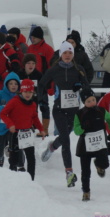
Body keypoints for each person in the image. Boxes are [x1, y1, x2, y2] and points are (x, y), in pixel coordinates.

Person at [38, 41, 89, 187]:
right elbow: (42, 84)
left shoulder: (78, 69)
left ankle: (52, 146)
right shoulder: (54, 70)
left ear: (73, 55)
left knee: (65, 135)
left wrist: (81, 86)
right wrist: (42, 102)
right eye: (65, 53)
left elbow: (87, 87)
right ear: (61, 54)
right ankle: (69, 172)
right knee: (66, 139)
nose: (67, 55)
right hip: (59, 109)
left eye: (70, 53)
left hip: (74, 110)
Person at [74, 87, 110, 201]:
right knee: (85, 171)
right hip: (85, 146)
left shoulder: (101, 111)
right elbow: (76, 129)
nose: (92, 103)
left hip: (100, 144)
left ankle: (99, 164)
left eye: (93, 100)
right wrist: (82, 128)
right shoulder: (79, 114)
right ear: (84, 103)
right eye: (88, 101)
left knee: (105, 164)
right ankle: (86, 191)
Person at [0, 79, 45, 180]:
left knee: (31, 159)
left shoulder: (33, 104)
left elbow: (34, 117)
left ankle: (31, 181)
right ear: (21, 91)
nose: (28, 94)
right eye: (25, 92)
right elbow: (3, 113)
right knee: (14, 159)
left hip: (27, 134)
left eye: (30, 92)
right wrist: (10, 124)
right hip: (15, 133)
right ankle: (13, 181)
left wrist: (41, 129)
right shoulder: (14, 101)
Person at [0, 72, 23, 168]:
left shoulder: (20, 96)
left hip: (12, 128)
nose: (13, 86)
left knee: (17, 147)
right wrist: (6, 108)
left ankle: (19, 165)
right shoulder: (0, 94)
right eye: (11, 83)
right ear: (6, 84)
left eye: (16, 84)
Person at [27, 26, 54, 137]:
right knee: (32, 105)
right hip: (31, 82)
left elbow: (51, 67)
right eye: (31, 37)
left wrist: (50, 84)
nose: (32, 39)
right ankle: (32, 126)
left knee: (44, 105)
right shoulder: (30, 48)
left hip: (43, 82)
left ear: (39, 37)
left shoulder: (48, 49)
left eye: (33, 37)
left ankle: (45, 129)